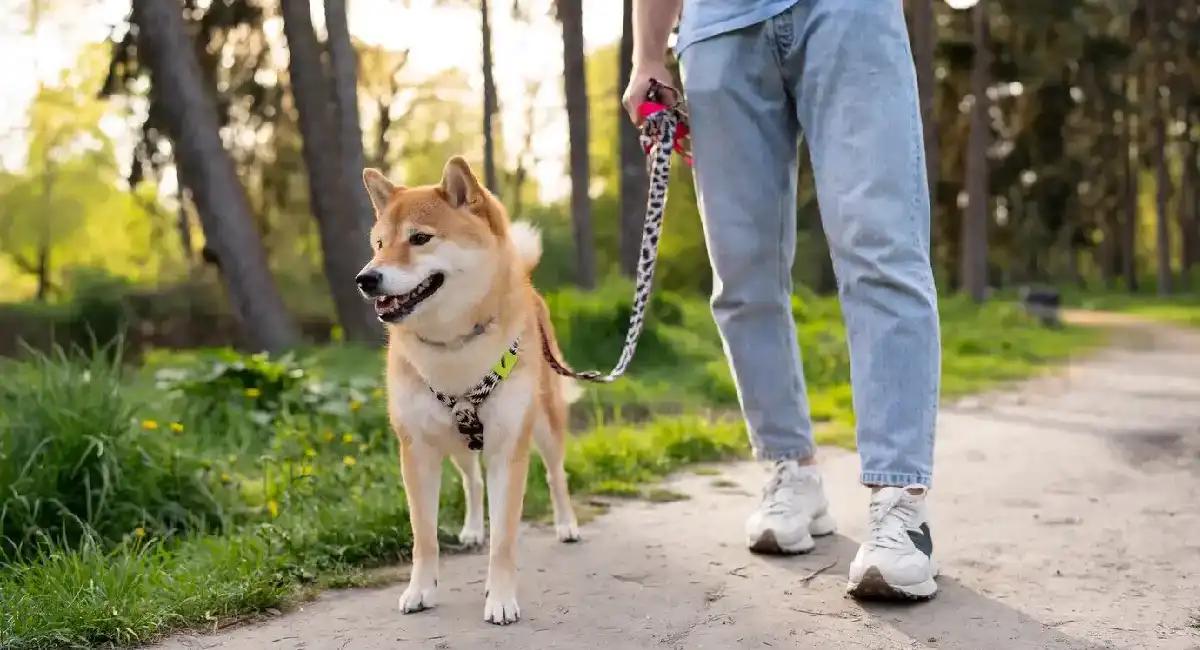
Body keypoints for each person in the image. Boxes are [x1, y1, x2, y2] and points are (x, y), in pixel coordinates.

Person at [622, 0, 941, 600]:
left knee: (880, 245)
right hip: (717, 29)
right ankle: (789, 469)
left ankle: (900, 501)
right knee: (741, 272)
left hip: (849, 15)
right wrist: (647, 54)